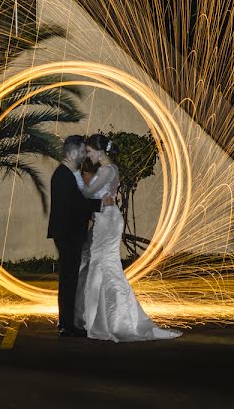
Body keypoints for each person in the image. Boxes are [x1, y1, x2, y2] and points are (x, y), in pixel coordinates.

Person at [74, 134, 181, 342]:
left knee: (104, 266)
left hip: (107, 221)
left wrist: (77, 178)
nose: (87, 155)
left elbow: (89, 193)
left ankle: (109, 321)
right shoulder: (107, 170)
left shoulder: (107, 170)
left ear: (99, 151)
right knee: (105, 267)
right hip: (106, 220)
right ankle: (107, 319)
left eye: (89, 151)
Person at [47, 135, 110, 337]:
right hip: (67, 234)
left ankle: (67, 322)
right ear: (72, 152)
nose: (84, 155)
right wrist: (100, 205)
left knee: (70, 278)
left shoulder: (67, 173)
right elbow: (75, 204)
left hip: (68, 233)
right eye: (82, 151)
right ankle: (66, 324)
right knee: (69, 279)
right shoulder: (63, 175)